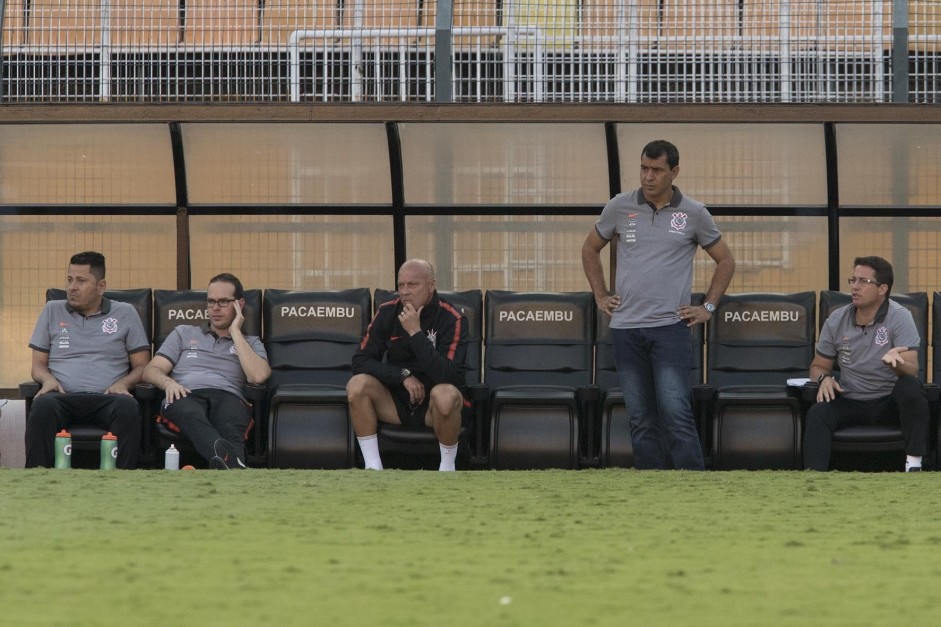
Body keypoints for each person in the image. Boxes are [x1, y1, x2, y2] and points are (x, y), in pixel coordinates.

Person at [582, 139, 736, 470]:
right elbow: (589, 248)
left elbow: (725, 261)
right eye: (643, 169)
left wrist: (707, 308)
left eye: (656, 170)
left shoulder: (694, 212)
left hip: (670, 329)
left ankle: (691, 490)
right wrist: (600, 294)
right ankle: (649, 492)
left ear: (674, 172)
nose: (648, 177)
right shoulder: (619, 206)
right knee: (639, 418)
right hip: (625, 329)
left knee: (676, 413)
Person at [24, 251, 150, 469]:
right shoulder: (52, 310)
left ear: (101, 286)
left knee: (128, 407)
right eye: (70, 279)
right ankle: (36, 479)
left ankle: (125, 482)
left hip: (108, 398)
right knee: (42, 405)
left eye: (81, 281)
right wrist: (47, 380)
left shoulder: (125, 313)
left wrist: (124, 383)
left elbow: (143, 366)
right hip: (62, 396)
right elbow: (38, 366)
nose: (72, 287)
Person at [803, 256, 928, 472]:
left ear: (882, 289)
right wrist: (824, 378)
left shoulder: (899, 316)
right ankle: (814, 479)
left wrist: (895, 364)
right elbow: (818, 366)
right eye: (853, 280)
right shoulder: (836, 319)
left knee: (911, 388)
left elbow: (913, 368)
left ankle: (914, 464)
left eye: (863, 281)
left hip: (889, 401)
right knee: (818, 413)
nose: (855, 287)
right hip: (851, 399)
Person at [347, 259, 469, 471]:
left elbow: (448, 375)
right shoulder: (387, 312)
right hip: (397, 403)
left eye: (413, 285)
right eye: (401, 285)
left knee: (445, 394)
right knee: (357, 385)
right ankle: (372, 466)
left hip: (435, 408)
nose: (405, 292)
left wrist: (415, 333)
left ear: (431, 285)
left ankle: (448, 468)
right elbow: (360, 361)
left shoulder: (452, 318)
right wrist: (402, 376)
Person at [143, 273, 270, 469]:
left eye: (224, 302)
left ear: (240, 304)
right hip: (185, 393)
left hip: (230, 397)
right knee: (191, 413)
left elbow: (259, 376)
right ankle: (234, 468)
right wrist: (168, 383)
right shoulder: (183, 333)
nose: (215, 308)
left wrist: (236, 333)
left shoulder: (250, 342)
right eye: (211, 302)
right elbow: (151, 370)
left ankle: (229, 467)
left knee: (230, 426)